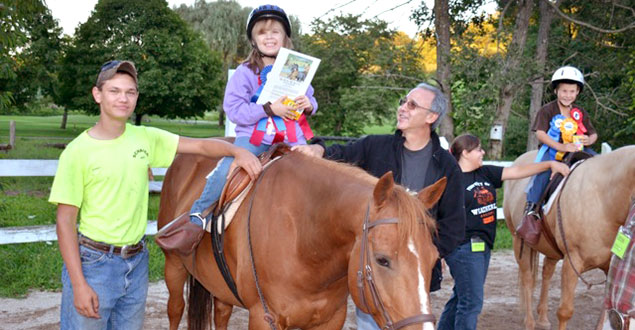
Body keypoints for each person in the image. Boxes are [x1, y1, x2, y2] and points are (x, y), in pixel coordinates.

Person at [48, 60, 262, 329]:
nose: (123, 98)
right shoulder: (78, 152)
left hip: (136, 262)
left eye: (130, 92)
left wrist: (236, 151)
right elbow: (64, 222)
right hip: (95, 263)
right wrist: (79, 284)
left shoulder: (144, 138)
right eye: (114, 91)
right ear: (97, 94)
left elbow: (200, 147)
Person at [293, 82, 465, 330]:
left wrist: (424, 255)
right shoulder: (376, 146)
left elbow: (454, 227)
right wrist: (318, 149)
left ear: (431, 116)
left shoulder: (447, 166)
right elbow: (340, 155)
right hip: (375, 270)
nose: (403, 108)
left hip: (412, 281)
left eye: (412, 104)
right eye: (403, 102)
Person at [177, 4, 318, 242]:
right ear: (253, 39)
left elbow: (311, 97)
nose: (269, 37)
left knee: (318, 169)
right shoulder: (245, 72)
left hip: (292, 138)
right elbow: (234, 110)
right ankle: (199, 215)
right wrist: (269, 109)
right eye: (262, 32)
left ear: (285, 38)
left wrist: (309, 104)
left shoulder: (296, 70)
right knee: (229, 167)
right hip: (255, 138)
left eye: (275, 32)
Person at [437, 133, 570, 330]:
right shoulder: (451, 181)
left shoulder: (484, 172)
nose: (483, 152)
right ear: (465, 153)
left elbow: (517, 171)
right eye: (478, 149)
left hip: (483, 247)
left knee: (461, 297)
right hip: (462, 248)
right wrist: (438, 253)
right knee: (472, 304)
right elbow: (439, 218)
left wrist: (549, 165)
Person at [521, 65, 597, 226]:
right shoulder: (547, 110)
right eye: (564, 91)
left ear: (577, 92)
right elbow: (540, 133)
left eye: (572, 91)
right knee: (543, 173)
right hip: (554, 151)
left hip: (578, 150)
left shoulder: (579, 112)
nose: (567, 95)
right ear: (556, 91)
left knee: (600, 165)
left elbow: (593, 133)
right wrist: (562, 147)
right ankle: (532, 209)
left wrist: (588, 141)